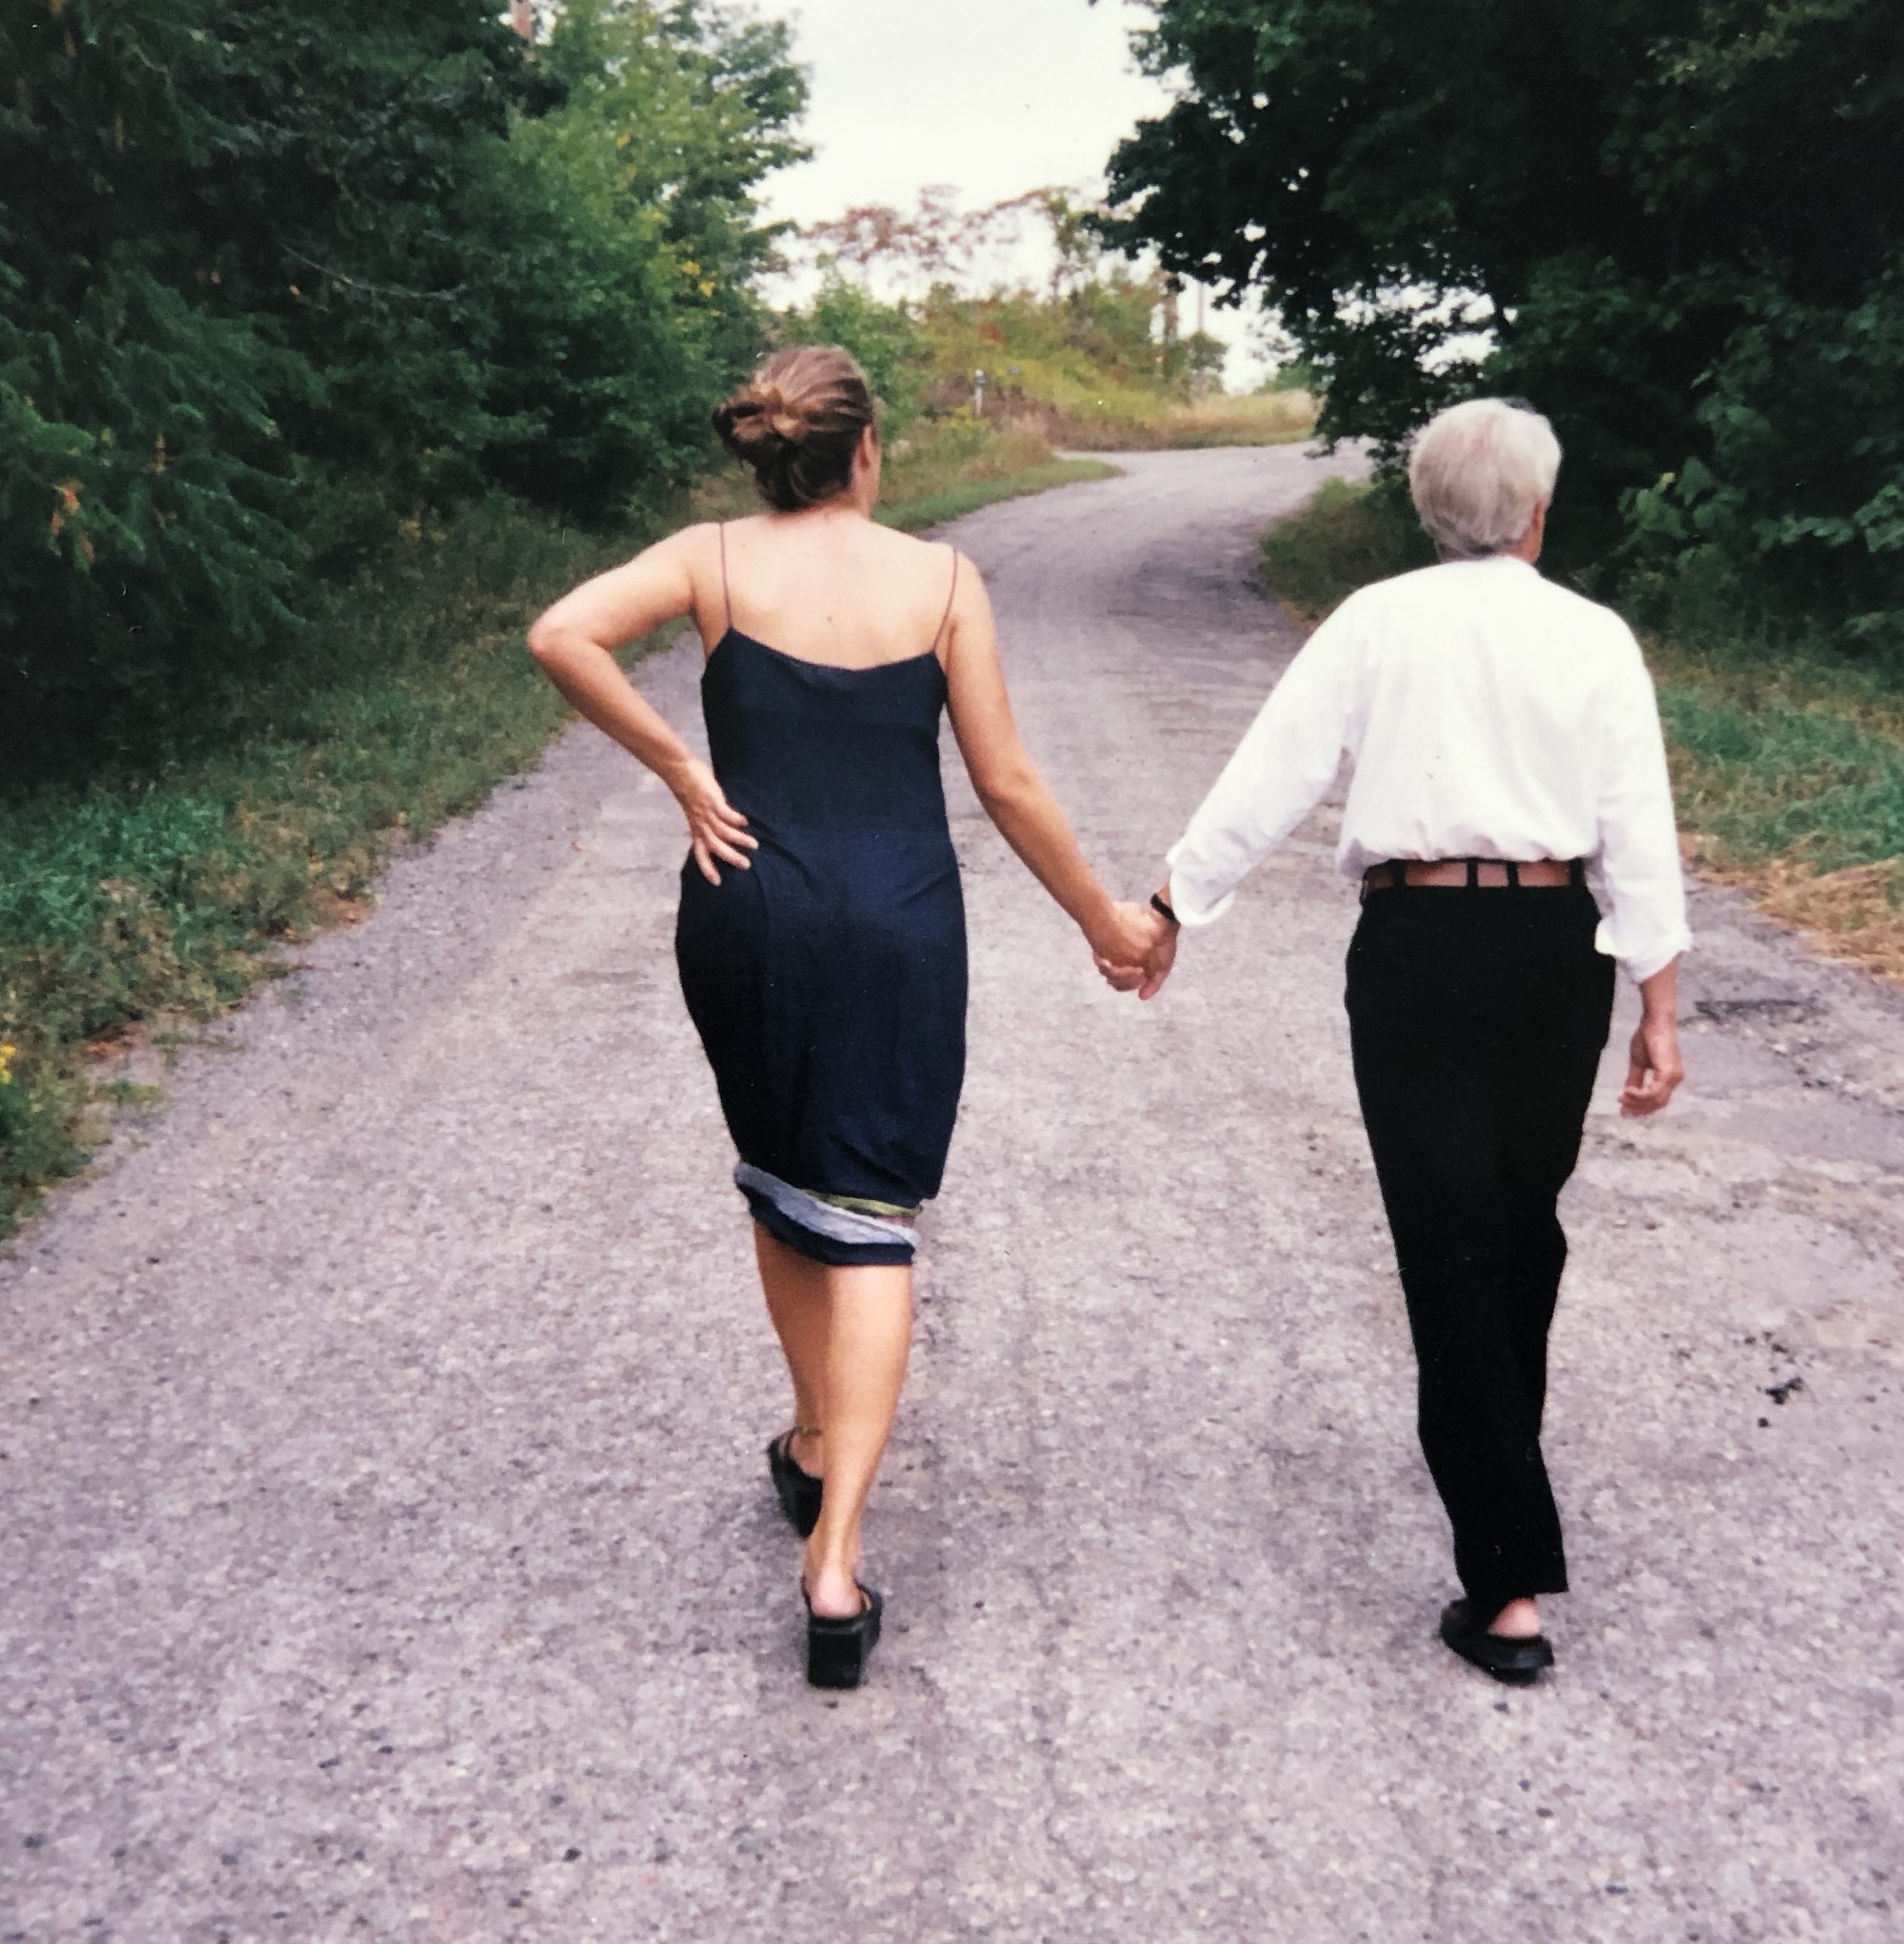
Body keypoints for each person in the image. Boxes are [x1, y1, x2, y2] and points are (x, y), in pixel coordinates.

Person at [529, 345, 1158, 1689]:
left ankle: (816, 1442)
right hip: (898, 923)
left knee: (780, 1183)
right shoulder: (941, 580)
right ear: (867, 451)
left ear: (769, 457)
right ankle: (836, 1556)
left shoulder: (709, 560)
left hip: (746, 906)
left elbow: (560, 632)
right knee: (867, 1212)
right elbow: (1009, 780)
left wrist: (680, 770)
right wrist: (1107, 921)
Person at [1120, 397, 1690, 1684]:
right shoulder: (1594, 638)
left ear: (1429, 513)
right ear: (1540, 512)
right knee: (1517, 1226)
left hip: (1417, 948)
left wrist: (1171, 909)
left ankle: (1505, 1580)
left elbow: (1272, 776)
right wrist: (1656, 1000)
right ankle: (1506, 1527)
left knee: (1454, 1240)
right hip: (1556, 956)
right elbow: (1634, 826)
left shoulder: (1376, 620)